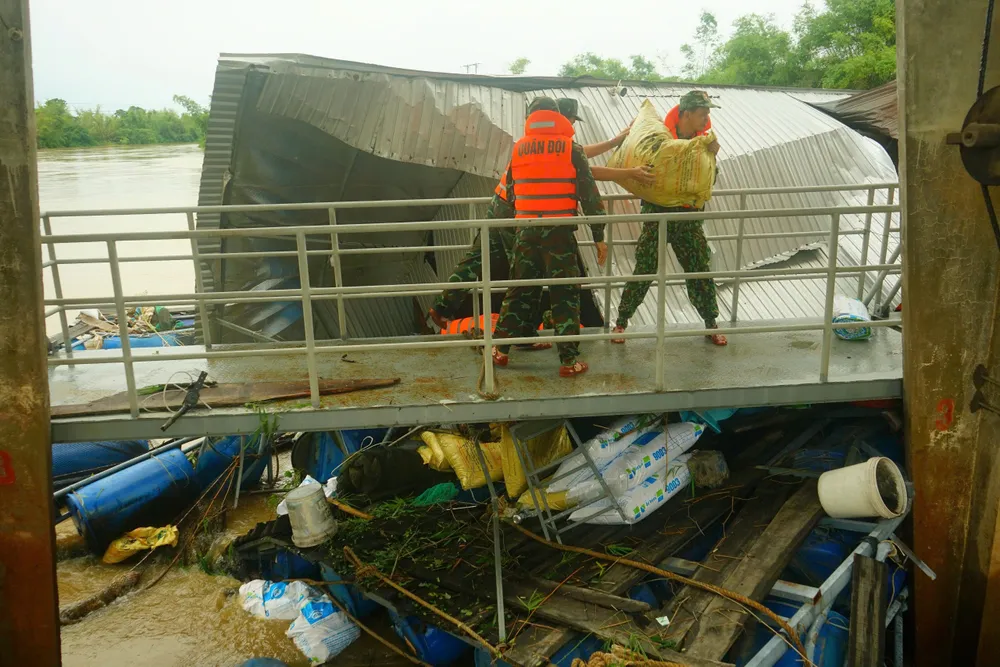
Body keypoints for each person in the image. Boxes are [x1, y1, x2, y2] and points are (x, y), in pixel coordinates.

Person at [428, 100, 653, 339]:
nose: (574, 125)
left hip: (500, 203)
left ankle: (442, 307)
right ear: (562, 119)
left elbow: (581, 154)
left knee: (478, 258)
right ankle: (522, 333)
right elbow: (586, 169)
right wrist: (629, 173)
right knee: (525, 273)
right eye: (573, 120)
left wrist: (614, 142)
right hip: (517, 211)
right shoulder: (558, 143)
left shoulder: (535, 142)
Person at [490, 96, 608, 377]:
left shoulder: (520, 149)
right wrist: (598, 236)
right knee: (565, 294)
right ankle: (569, 362)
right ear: (558, 117)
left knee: (519, 290)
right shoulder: (571, 149)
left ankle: (501, 351)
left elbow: (511, 195)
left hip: (526, 232)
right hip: (559, 233)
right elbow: (590, 196)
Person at [610, 90, 728, 347]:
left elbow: (708, 182)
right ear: (686, 113)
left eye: (707, 112)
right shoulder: (659, 138)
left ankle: (711, 324)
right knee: (645, 268)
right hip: (658, 215)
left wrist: (712, 156)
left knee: (699, 270)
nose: (706, 117)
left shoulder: (704, 142)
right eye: (702, 112)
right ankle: (621, 323)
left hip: (689, 218)